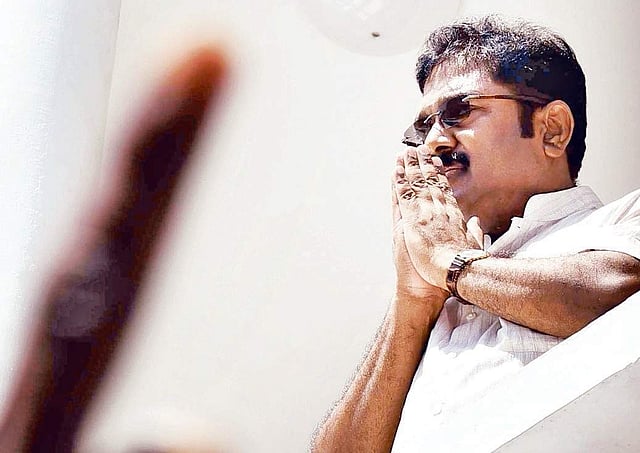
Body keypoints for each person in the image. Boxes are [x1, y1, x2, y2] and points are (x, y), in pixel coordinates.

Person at [311, 15, 640, 452]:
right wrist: (413, 301)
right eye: (422, 129)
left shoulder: (621, 220)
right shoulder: (437, 301)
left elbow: (622, 303)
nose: (433, 143)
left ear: (552, 130)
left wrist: (454, 263)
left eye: (459, 112)